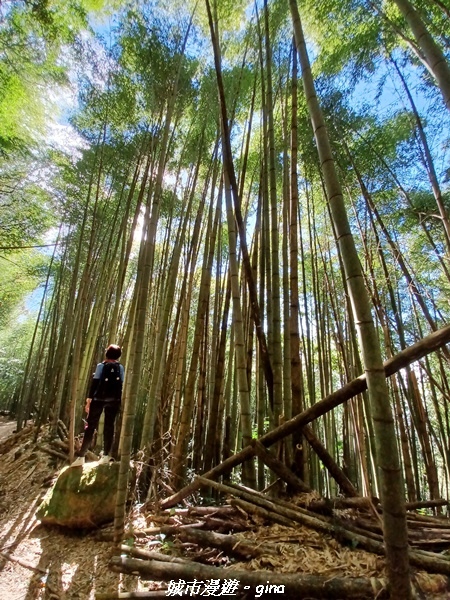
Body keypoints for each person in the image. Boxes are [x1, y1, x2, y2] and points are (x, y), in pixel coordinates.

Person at [72, 344, 125, 466]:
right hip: (114, 400)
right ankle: (106, 455)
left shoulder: (101, 366)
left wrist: (89, 400)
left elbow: (95, 384)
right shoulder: (120, 368)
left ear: (107, 354)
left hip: (99, 399)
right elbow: (120, 385)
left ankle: (81, 457)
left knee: (90, 427)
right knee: (109, 427)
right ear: (118, 356)